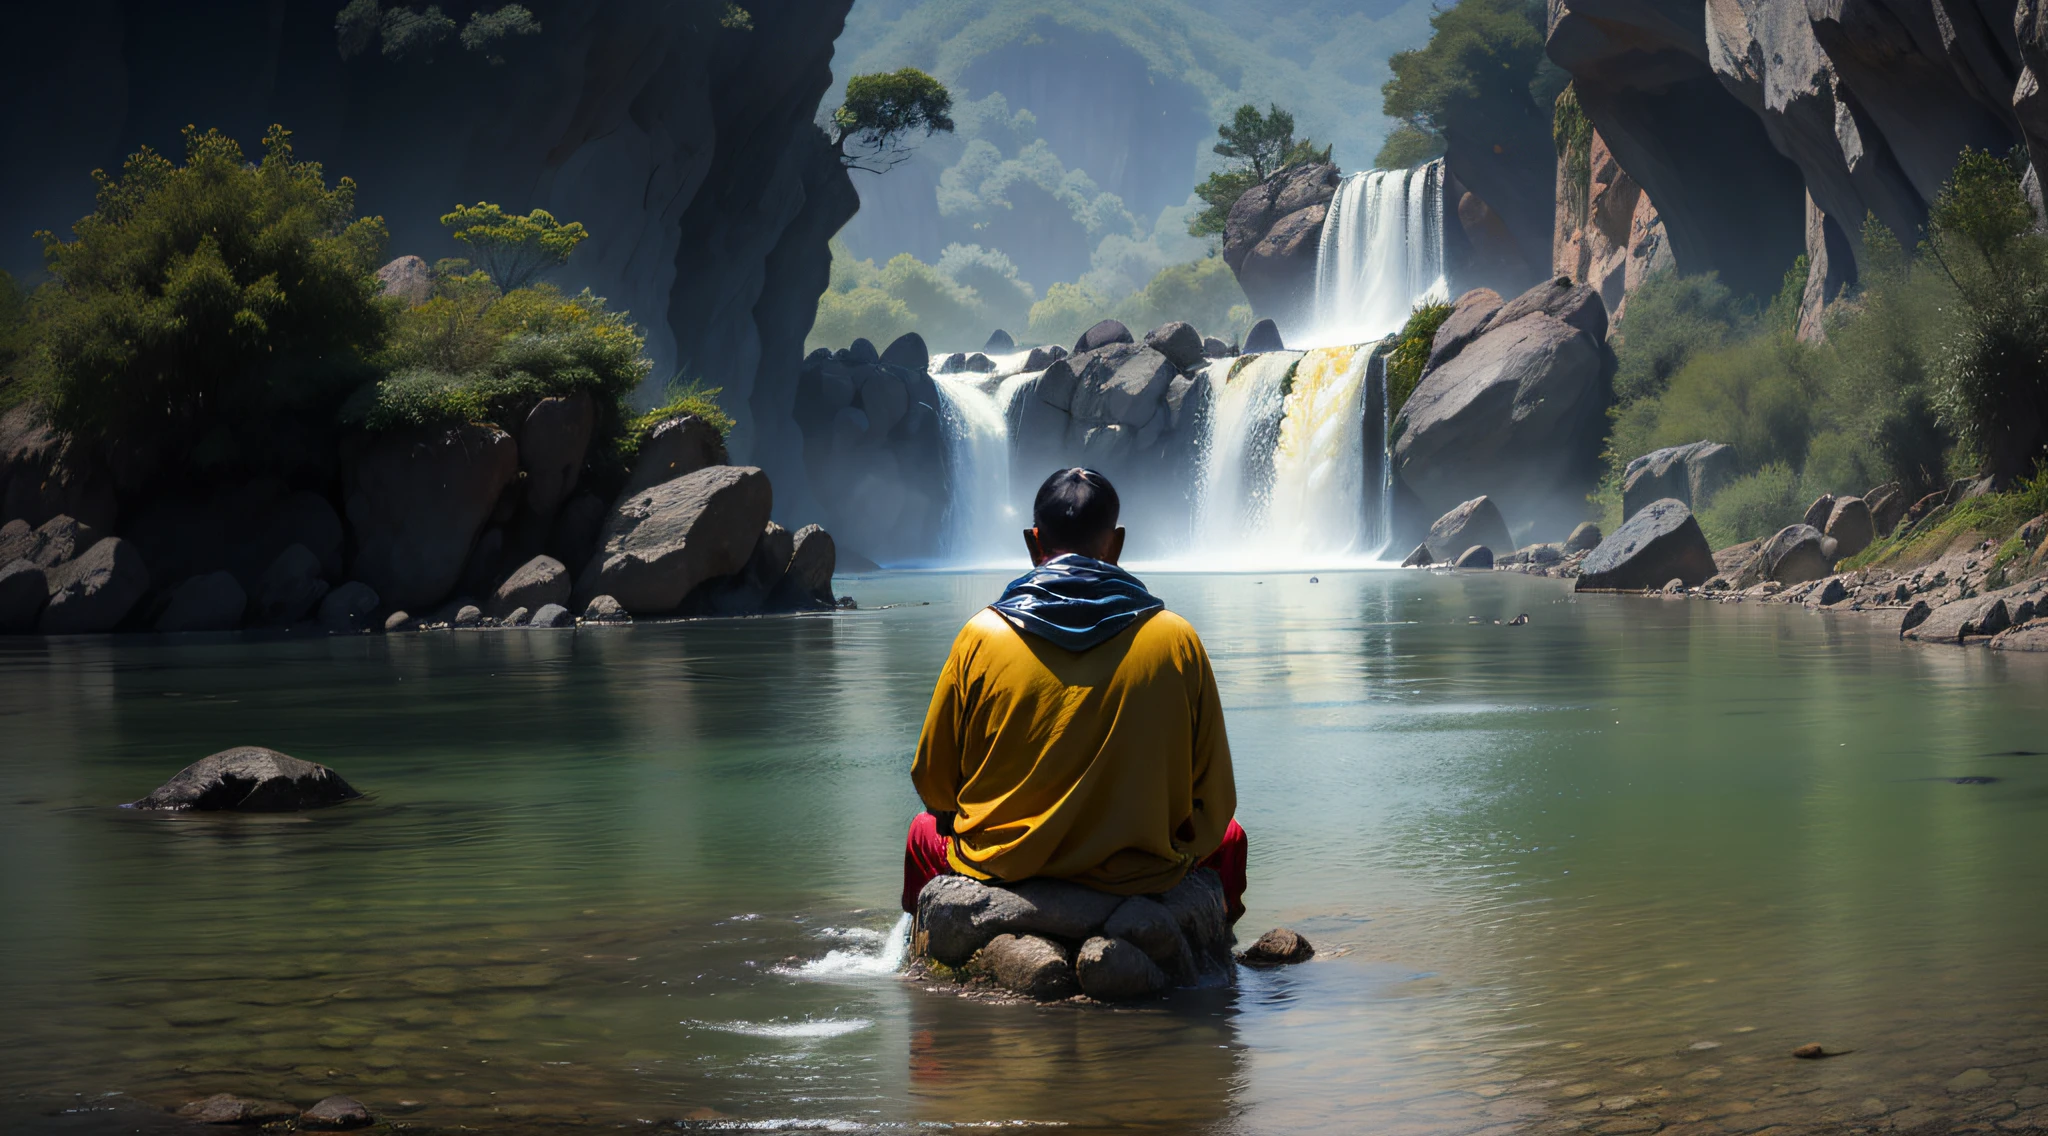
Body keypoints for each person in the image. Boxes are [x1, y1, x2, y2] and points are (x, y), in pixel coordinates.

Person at [902, 467, 1246, 921]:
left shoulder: (981, 634)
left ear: (1033, 541)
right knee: (1232, 838)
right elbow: (1216, 800)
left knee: (921, 833)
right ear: (1117, 543)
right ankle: (1213, 962)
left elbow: (934, 782)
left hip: (1002, 867)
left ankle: (920, 954)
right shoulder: (1176, 638)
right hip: (1142, 875)